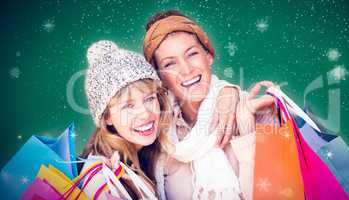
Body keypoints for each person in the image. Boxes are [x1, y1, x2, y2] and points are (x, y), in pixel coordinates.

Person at [143, 10, 276, 200]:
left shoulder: (253, 113)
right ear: (159, 77)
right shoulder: (155, 136)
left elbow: (277, 192)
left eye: (192, 54)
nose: (186, 70)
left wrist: (247, 133)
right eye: (170, 64)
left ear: (209, 55)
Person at [79, 40, 173, 199]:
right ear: (107, 117)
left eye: (149, 99)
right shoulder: (104, 183)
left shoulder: (144, 152)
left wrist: (226, 91)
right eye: (128, 106)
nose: (145, 114)